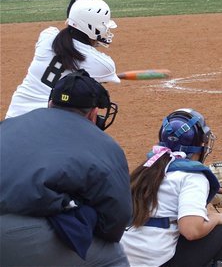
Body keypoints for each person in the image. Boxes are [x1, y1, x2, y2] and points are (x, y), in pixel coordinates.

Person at [0, 70, 132, 266]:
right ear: (93, 113)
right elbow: (115, 221)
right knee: (112, 256)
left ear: (50, 103)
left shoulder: (7, 125)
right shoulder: (103, 144)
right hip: (22, 235)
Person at [121, 108, 222, 267]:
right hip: (157, 263)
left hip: (122, 259)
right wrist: (217, 217)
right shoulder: (194, 177)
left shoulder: (146, 170)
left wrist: (207, 193)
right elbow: (191, 230)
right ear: (199, 144)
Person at [5, 0, 120, 119]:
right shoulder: (102, 64)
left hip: (14, 118)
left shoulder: (48, 35)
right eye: (104, 26)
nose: (105, 30)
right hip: (50, 125)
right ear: (91, 27)